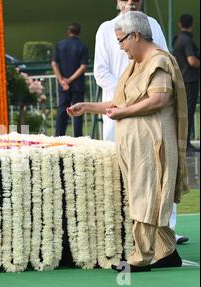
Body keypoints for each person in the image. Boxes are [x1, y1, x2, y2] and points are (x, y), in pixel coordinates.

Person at [68, 11, 189, 272]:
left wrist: (123, 113)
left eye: (122, 40)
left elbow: (159, 99)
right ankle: (166, 251)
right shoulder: (135, 65)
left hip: (153, 144)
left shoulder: (158, 61)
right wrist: (87, 107)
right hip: (137, 145)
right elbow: (118, 102)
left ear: (136, 36)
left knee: (146, 197)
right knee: (144, 195)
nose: (120, 47)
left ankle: (141, 256)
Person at [94, 0, 188, 245]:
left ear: (136, 36)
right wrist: (124, 97)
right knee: (124, 174)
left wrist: (132, 99)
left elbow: (161, 66)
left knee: (158, 173)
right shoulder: (106, 29)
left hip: (148, 115)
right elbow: (101, 71)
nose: (131, 2)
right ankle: (125, 233)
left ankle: (165, 234)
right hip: (120, 111)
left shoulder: (152, 29)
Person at [51, 22, 88, 137]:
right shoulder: (82, 46)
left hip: (63, 85)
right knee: (78, 111)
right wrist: (70, 79)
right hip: (77, 84)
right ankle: (78, 136)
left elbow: (54, 63)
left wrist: (61, 79)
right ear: (79, 32)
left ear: (68, 32)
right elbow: (83, 66)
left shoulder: (60, 44)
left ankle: (59, 136)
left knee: (62, 110)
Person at [173, 14, 200, 154]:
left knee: (183, 112)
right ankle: (186, 144)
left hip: (182, 79)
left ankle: (182, 142)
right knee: (189, 112)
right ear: (192, 25)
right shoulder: (187, 40)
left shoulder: (177, 40)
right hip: (190, 80)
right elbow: (192, 60)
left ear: (179, 24)